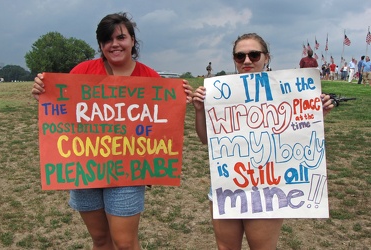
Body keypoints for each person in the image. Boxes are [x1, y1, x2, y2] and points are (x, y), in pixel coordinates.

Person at [32, 12, 193, 250]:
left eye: (121, 37)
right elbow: (62, 108)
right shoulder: (82, 72)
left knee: (125, 243)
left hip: (127, 171)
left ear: (132, 41)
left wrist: (181, 99)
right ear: (100, 45)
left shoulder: (149, 77)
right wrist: (43, 92)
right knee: (100, 239)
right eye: (107, 40)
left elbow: (161, 123)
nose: (114, 44)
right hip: (85, 168)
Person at [192, 33, 334, 250]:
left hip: (269, 188)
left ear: (266, 57)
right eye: (240, 56)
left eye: (254, 55)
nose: (247, 60)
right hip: (228, 185)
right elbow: (204, 139)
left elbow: (298, 133)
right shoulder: (219, 93)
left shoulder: (286, 90)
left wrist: (315, 112)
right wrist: (200, 110)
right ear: (234, 60)